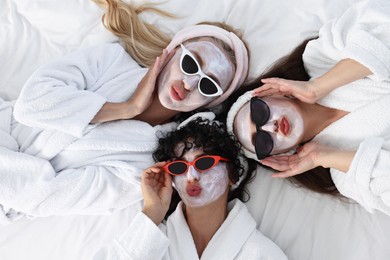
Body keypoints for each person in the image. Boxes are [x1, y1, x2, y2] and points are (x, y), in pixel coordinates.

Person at [0, 0, 249, 226]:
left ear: (209, 104)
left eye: (208, 85)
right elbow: (30, 104)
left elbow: (44, 195)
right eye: (190, 63)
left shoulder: (146, 167)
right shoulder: (112, 60)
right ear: (172, 52)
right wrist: (126, 108)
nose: (189, 83)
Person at [226, 0, 390, 215]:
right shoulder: (344, 172)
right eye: (263, 141)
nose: (270, 127)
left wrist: (318, 87)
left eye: (259, 113)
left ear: (272, 92)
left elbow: (383, 20)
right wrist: (320, 157)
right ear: (281, 154)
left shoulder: (319, 58)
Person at [93, 114, 287, 259]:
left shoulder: (262, 253)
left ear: (231, 175)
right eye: (179, 167)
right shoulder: (148, 243)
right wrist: (152, 212)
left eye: (204, 163)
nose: (191, 176)